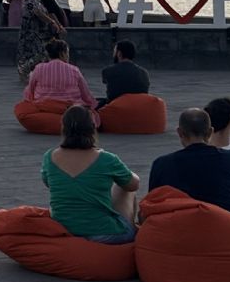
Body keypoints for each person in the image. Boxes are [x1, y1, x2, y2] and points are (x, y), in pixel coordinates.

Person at [146, 107, 230, 232]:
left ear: (180, 132)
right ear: (210, 131)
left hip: (183, 234)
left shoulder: (161, 164)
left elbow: (152, 209)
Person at [42, 106, 140, 241]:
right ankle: (131, 230)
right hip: (105, 234)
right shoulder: (107, 159)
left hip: (65, 229)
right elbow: (133, 185)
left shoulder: (49, 157)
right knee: (124, 186)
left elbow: (48, 183)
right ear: (93, 128)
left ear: (63, 127)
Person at [21, 39, 97, 109]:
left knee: (20, 108)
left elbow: (30, 92)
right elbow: (86, 95)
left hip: (44, 107)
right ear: (62, 54)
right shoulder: (74, 70)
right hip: (69, 108)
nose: (68, 56)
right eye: (67, 53)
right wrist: (93, 105)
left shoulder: (38, 68)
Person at [14, 0, 62, 80]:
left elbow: (44, 12)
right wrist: (52, 22)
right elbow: (37, 12)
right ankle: (24, 69)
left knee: (41, 53)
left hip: (38, 32)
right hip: (30, 32)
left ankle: (35, 73)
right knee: (39, 53)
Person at [98, 40, 150, 107]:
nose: (113, 54)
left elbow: (105, 81)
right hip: (139, 107)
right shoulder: (144, 73)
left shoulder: (108, 71)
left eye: (114, 51)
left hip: (116, 107)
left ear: (119, 54)